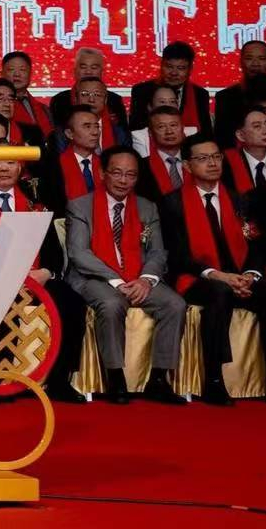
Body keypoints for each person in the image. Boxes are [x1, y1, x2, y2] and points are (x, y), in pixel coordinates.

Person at [0, 112, 89, 403]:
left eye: (10, 162)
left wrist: (47, 272)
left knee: (72, 302)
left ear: (20, 166)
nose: (4, 169)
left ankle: (59, 380)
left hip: (34, 278)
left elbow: (53, 252)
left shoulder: (34, 201)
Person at [64, 146, 187, 404]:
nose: (123, 180)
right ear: (102, 173)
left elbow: (157, 252)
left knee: (175, 304)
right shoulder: (80, 206)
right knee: (111, 304)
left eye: (131, 175)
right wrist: (118, 281)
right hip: (95, 277)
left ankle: (158, 379)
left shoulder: (147, 207)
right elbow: (79, 253)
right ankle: (115, 377)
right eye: (117, 173)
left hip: (138, 276)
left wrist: (146, 279)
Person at [164, 134, 266, 405]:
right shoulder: (172, 203)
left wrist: (250, 275)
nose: (212, 163)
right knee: (219, 293)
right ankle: (213, 379)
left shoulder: (238, 200)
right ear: (187, 166)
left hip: (239, 277)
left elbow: (256, 247)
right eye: (203, 158)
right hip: (198, 278)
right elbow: (178, 256)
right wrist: (220, 275)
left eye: (216, 157)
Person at [129, 41, 212, 135]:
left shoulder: (200, 94)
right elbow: (135, 129)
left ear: (190, 69)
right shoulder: (142, 91)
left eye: (181, 68)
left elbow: (206, 132)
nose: (174, 73)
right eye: (169, 66)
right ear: (161, 65)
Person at [49, 46, 128, 130]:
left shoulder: (114, 100)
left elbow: (123, 132)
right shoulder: (60, 101)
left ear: (102, 72)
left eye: (94, 68)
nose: (88, 72)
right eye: (83, 67)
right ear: (75, 71)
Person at [214, 40, 266, 141]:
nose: (255, 64)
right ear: (241, 62)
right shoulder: (226, 97)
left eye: (262, 58)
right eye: (249, 58)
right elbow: (223, 139)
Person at [137, 107, 188, 204]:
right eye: (161, 127)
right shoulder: (140, 167)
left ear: (183, 128)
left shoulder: (196, 160)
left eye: (173, 125)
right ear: (150, 133)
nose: (169, 132)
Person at [1, 52, 52, 140]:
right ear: (1, 74)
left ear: (30, 74)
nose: (17, 74)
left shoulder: (44, 109)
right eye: (11, 69)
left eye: (22, 70)